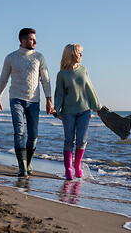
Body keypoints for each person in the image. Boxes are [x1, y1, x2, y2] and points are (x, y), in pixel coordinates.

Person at [0, 28, 55, 177]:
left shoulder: (39, 57)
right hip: (16, 98)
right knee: (19, 131)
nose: (35, 41)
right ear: (23, 40)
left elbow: (45, 79)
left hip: (34, 101)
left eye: (35, 39)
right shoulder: (11, 57)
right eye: (32, 39)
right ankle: (22, 167)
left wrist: (49, 100)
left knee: (33, 135)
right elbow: (3, 78)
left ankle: (28, 162)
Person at [54, 44, 101, 180]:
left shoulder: (84, 70)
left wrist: (97, 107)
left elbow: (90, 89)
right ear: (72, 54)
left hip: (85, 110)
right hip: (68, 112)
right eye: (79, 53)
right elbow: (59, 94)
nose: (81, 56)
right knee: (69, 140)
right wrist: (56, 109)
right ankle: (68, 169)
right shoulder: (61, 74)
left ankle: (77, 166)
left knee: (81, 140)